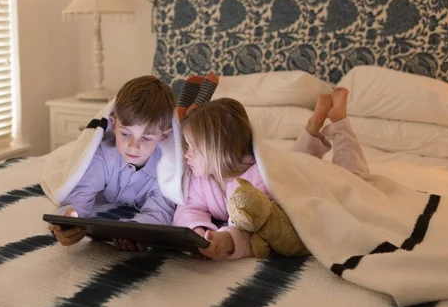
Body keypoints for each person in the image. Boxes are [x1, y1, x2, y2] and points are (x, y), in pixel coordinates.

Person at [173, 87, 369, 259]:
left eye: (193, 148)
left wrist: (228, 240)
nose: (186, 154)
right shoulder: (202, 178)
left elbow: (267, 232)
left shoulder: (260, 181)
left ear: (218, 150)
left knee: (355, 180)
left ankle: (339, 119)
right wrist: (198, 230)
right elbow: (189, 207)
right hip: (290, 163)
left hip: (310, 176)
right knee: (291, 160)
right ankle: (315, 121)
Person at [48, 75, 177, 251]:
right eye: (125, 134)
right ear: (114, 124)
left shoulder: (167, 170)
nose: (134, 146)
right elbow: (79, 197)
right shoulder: (103, 157)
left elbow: (159, 211)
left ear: (164, 135)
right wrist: (68, 221)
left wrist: (135, 231)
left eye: (146, 137)